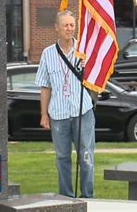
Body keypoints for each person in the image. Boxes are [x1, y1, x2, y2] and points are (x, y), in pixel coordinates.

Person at [35, 10, 95, 198]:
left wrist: (89, 68)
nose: (69, 29)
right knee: (62, 157)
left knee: (86, 156)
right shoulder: (47, 54)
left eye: (72, 25)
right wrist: (44, 115)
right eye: (65, 25)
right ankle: (66, 197)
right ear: (56, 28)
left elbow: (97, 80)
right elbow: (45, 86)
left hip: (82, 111)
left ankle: (87, 196)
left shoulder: (84, 51)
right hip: (58, 115)